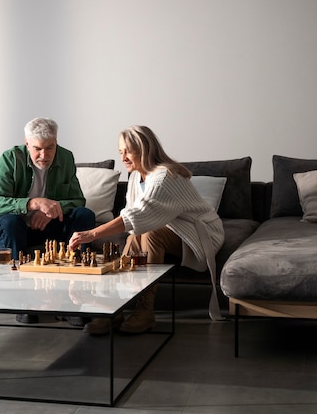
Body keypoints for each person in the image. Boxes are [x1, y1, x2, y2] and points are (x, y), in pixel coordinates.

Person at [69, 125, 225, 334]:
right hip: (169, 228)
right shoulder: (135, 176)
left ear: (145, 150)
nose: (123, 157)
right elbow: (133, 215)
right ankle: (114, 309)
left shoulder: (165, 177)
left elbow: (138, 214)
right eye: (120, 152)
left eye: (128, 151)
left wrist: (92, 234)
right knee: (136, 237)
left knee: (150, 233)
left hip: (201, 233)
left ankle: (145, 311)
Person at [0, 117, 96, 324]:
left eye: (50, 148)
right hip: (17, 227)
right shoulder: (10, 158)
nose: (44, 155)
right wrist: (32, 204)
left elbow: (78, 200)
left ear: (56, 142)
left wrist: (51, 210)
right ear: (27, 144)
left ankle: (73, 301)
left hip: (50, 226)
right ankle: (21, 301)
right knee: (9, 223)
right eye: (38, 149)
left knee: (85, 215)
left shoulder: (66, 158)